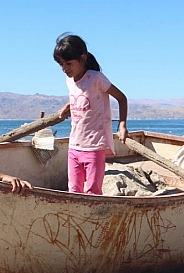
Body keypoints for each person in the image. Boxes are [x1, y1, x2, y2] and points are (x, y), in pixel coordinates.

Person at [53, 33, 129, 195]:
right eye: (61, 64)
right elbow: (81, 96)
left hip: (94, 147)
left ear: (82, 58)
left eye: (68, 63)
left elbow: (121, 98)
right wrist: (69, 106)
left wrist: (122, 125)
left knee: (93, 191)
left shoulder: (96, 79)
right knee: (73, 190)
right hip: (74, 146)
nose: (64, 68)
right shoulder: (70, 80)